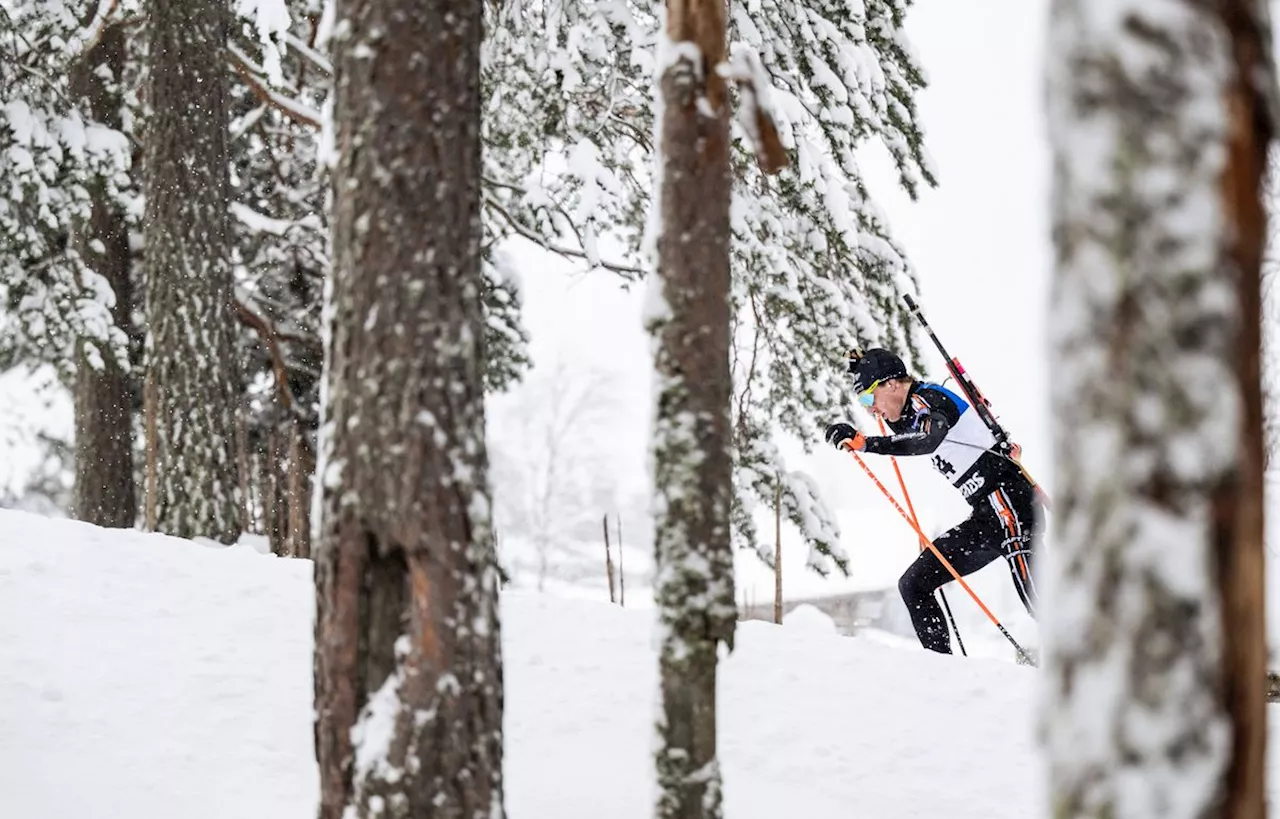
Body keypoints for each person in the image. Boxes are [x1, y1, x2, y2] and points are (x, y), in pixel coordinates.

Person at [823, 347, 1041, 654]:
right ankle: (943, 672)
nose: (871, 409)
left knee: (1042, 606)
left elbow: (927, 439)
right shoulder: (911, 411)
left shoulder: (928, 399)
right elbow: (905, 432)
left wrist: (866, 443)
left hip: (1009, 505)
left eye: (869, 398)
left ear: (893, 384)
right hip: (987, 516)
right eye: (864, 402)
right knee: (914, 584)